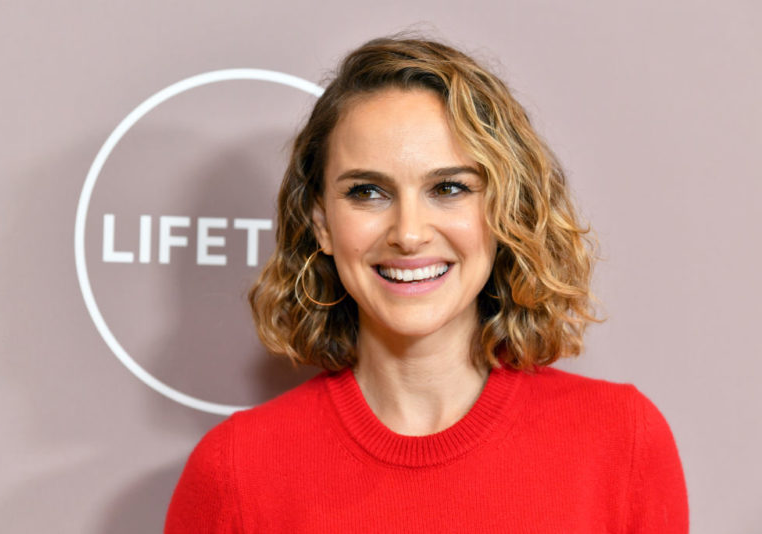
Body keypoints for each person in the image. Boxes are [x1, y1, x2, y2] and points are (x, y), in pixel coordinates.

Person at [164, 36, 688, 533]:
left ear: (504, 210)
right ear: (322, 222)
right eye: (368, 191)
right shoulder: (235, 470)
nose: (409, 234)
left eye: (449, 188)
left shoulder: (619, 440)